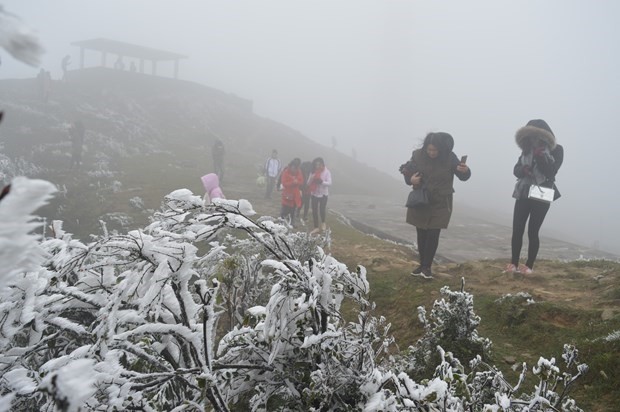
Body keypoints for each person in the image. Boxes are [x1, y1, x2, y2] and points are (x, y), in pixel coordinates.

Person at [400, 132, 471, 278]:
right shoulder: (417, 155)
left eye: (435, 150)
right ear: (425, 148)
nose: (432, 153)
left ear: (441, 149)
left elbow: (463, 176)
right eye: (429, 150)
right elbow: (408, 172)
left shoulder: (450, 157)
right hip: (421, 199)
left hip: (441, 202)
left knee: (433, 233)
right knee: (421, 233)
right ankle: (422, 264)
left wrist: (465, 171)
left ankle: (427, 267)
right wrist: (411, 180)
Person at [506, 119, 563, 275]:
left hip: (542, 193)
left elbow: (551, 172)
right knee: (517, 228)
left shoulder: (557, 150)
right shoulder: (526, 149)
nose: (534, 139)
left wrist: (540, 157)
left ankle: (529, 265)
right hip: (523, 192)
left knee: (533, 231)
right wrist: (523, 170)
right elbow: (516, 170)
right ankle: (513, 263)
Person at [308, 157, 332, 234]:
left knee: (322, 209)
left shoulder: (327, 172)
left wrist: (321, 182)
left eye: (319, 164)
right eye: (316, 164)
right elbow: (308, 183)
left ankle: (323, 223)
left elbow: (330, 183)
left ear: (322, 164)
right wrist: (312, 179)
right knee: (314, 210)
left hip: (324, 194)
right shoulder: (313, 172)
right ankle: (316, 227)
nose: (317, 166)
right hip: (314, 193)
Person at [280, 158, 303, 226]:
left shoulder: (299, 172)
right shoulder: (286, 172)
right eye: (293, 168)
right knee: (284, 210)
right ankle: (281, 223)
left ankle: (292, 223)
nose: (294, 170)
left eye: (296, 168)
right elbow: (284, 183)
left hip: (295, 195)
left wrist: (297, 182)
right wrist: (292, 182)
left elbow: (301, 181)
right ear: (291, 166)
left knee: (293, 211)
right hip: (287, 195)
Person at [297, 160, 313, 224]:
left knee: (306, 203)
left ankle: (303, 215)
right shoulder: (302, 171)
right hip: (303, 188)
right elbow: (301, 180)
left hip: (308, 189)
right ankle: (299, 213)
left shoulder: (310, 172)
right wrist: (301, 188)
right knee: (302, 201)